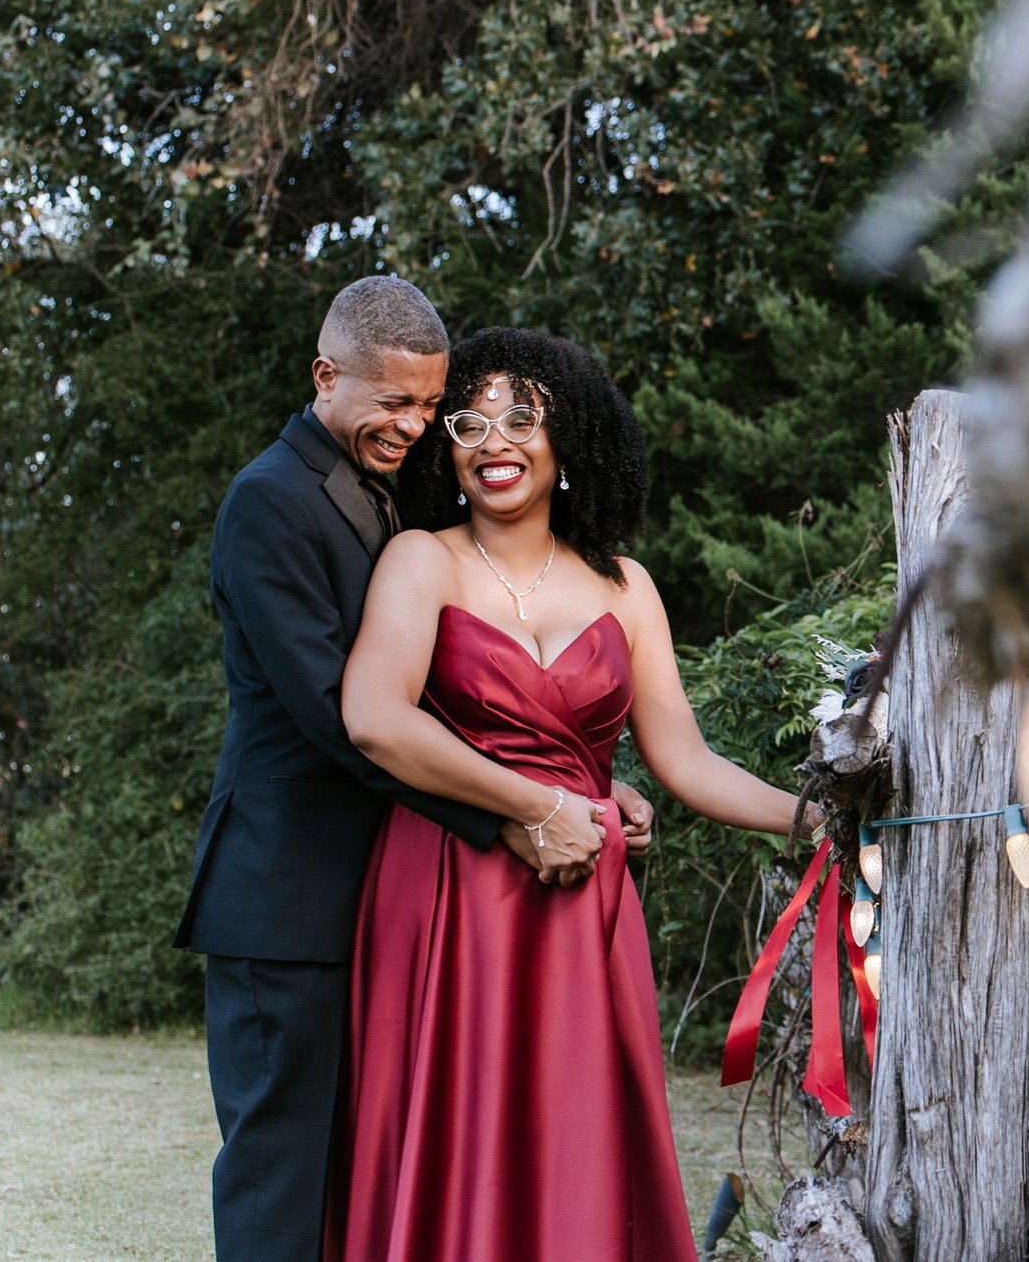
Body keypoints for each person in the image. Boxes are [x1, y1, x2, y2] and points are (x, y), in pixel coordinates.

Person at [175, 277, 653, 1262]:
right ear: (325, 377)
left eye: (430, 405)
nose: (415, 424)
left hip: (379, 901)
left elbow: (443, 696)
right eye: (394, 401)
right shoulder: (271, 502)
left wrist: (589, 787)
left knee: (363, 1180)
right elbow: (344, 720)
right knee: (282, 1181)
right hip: (285, 899)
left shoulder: (380, 495)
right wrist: (521, 810)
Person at [328, 327, 814, 1261]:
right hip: (448, 894)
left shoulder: (627, 589)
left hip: (582, 905)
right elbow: (375, 719)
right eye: (468, 422)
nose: (492, 440)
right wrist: (535, 804)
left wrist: (814, 818)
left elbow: (687, 763)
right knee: (457, 1133)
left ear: (570, 443)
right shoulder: (422, 561)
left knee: (575, 1144)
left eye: (522, 418)